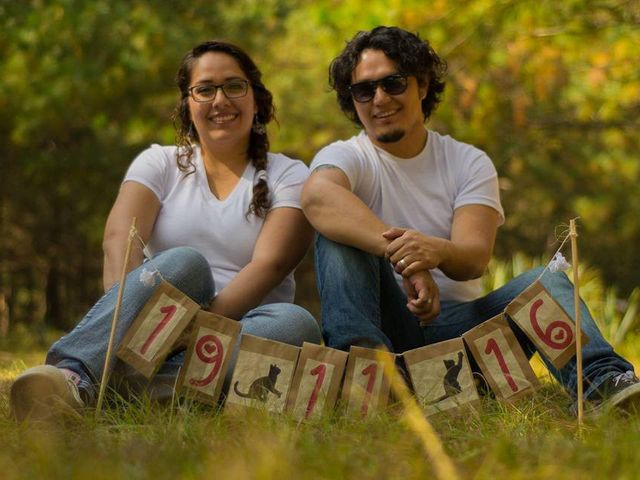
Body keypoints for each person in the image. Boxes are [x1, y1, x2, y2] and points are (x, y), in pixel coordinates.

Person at [301, 26, 640, 415]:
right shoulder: (347, 156)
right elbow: (317, 197)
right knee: (337, 235)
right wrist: (408, 261)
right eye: (364, 90)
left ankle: (603, 384)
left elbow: (473, 259)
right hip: (386, 333)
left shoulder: (467, 161)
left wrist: (434, 252)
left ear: (422, 85)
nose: (379, 99)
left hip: (465, 341)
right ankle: (363, 386)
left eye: (393, 83)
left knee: (542, 281)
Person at [10, 40, 321, 422]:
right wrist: (130, 327)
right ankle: (71, 373)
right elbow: (119, 240)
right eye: (205, 89)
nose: (220, 99)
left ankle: (111, 387)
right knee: (185, 265)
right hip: (151, 326)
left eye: (234, 86)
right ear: (188, 105)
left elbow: (271, 264)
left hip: (236, 334)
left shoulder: (289, 175)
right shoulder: (159, 162)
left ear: (256, 99)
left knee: (295, 325)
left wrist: (191, 334)